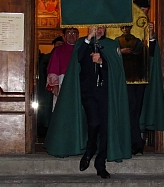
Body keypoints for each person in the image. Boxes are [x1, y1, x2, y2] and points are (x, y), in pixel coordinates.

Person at [44, 26, 130, 178]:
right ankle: (89, 151)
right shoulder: (81, 44)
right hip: (89, 93)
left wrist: (102, 61)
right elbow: (78, 58)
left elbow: (117, 69)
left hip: (106, 93)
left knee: (105, 127)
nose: (99, 30)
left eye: (102, 27)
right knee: (94, 122)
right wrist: (88, 39)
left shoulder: (112, 44)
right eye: (96, 27)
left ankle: (100, 163)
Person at [132, 0, 164, 141]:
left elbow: (151, 54)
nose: (143, 14)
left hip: (140, 75)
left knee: (139, 107)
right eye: (140, 10)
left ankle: (137, 139)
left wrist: (151, 36)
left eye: (145, 11)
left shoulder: (147, 29)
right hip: (125, 75)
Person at [116, 25, 147, 154]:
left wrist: (135, 52)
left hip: (136, 78)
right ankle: (128, 142)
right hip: (121, 79)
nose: (125, 29)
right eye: (123, 27)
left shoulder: (137, 41)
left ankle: (135, 142)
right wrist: (120, 52)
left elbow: (144, 54)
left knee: (134, 111)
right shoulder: (116, 40)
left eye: (127, 27)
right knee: (125, 111)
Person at [46, 29, 78, 110]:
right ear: (64, 36)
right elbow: (53, 68)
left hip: (78, 81)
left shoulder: (81, 48)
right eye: (69, 33)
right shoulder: (58, 50)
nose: (71, 35)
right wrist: (55, 85)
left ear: (77, 36)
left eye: (74, 33)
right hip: (62, 81)